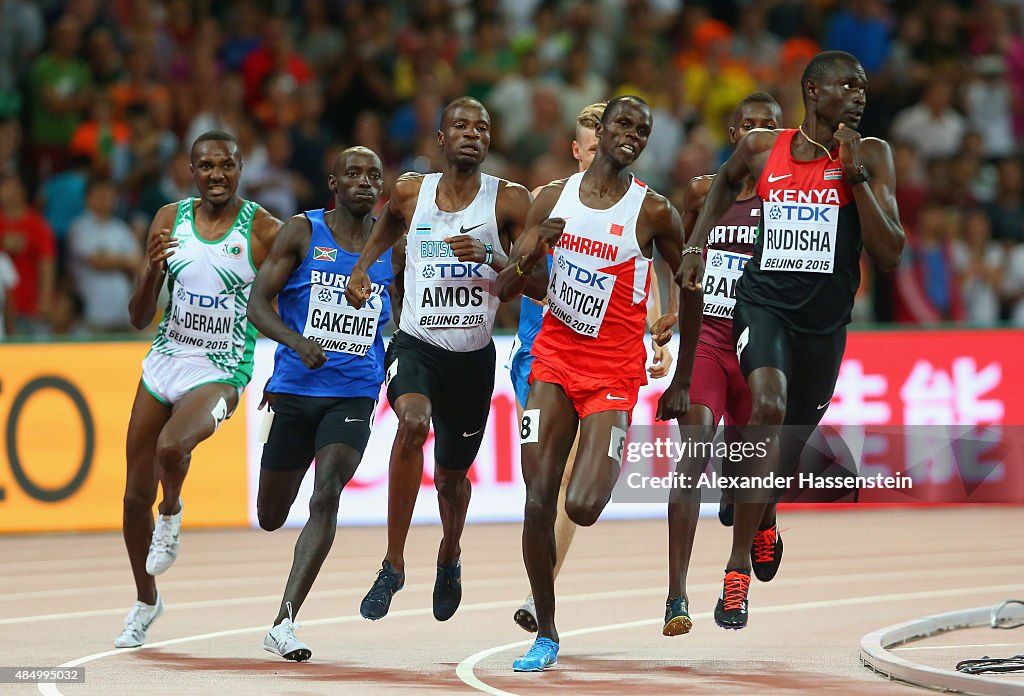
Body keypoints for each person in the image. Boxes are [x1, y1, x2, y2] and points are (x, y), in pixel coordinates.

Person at [676, 51, 904, 629]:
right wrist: (697, 247)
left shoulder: (872, 155)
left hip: (824, 327)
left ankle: (766, 513)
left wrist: (855, 180)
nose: (859, 95)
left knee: (788, 447)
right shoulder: (762, 147)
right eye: (847, 85)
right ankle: (734, 573)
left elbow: (889, 253)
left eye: (863, 86)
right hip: (764, 307)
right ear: (812, 90)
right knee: (768, 407)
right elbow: (723, 185)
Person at [495, 95, 683, 671]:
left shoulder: (653, 211)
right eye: (623, 125)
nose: (632, 136)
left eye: (642, 130)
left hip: (613, 374)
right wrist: (527, 253)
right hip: (553, 359)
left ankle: (601, 463)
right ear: (599, 133)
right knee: (535, 499)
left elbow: (680, 272)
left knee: (582, 505)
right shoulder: (551, 199)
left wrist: (668, 322)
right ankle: (545, 632)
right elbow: (513, 287)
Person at [345, 97, 531, 623]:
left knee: (451, 479)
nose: (472, 133)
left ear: (489, 141)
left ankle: (449, 554)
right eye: (460, 125)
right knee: (411, 422)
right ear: (441, 138)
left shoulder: (510, 202)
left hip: (472, 361)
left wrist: (494, 257)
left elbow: (529, 285)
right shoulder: (410, 192)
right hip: (416, 345)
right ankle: (394, 563)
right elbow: (383, 229)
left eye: (482, 127)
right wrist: (363, 269)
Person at [115, 131, 281, 648]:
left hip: (222, 367)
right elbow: (140, 316)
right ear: (191, 171)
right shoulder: (169, 220)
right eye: (205, 166)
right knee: (130, 496)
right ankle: (146, 601)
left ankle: (172, 511)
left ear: (240, 168)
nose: (216, 175)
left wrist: (286, 366)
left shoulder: (265, 231)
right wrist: (151, 271)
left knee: (172, 446)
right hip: (165, 360)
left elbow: (293, 301)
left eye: (226, 166)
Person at [247, 146, 400, 661]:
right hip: (295, 389)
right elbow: (256, 305)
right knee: (271, 514)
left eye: (372, 176)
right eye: (352, 174)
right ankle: (283, 609)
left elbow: (400, 315)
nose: (363, 182)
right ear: (333, 183)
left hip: (355, 390)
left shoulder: (391, 245)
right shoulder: (302, 231)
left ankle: (284, 620)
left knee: (328, 491)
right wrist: (295, 342)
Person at [656, 92, 782, 637]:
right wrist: (671, 321)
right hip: (708, 339)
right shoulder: (704, 193)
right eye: (749, 126)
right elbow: (681, 261)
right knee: (695, 456)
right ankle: (676, 597)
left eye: (769, 127)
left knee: (750, 464)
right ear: (734, 137)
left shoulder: (793, 201)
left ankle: (740, 567)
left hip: (760, 344)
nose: (758, 135)